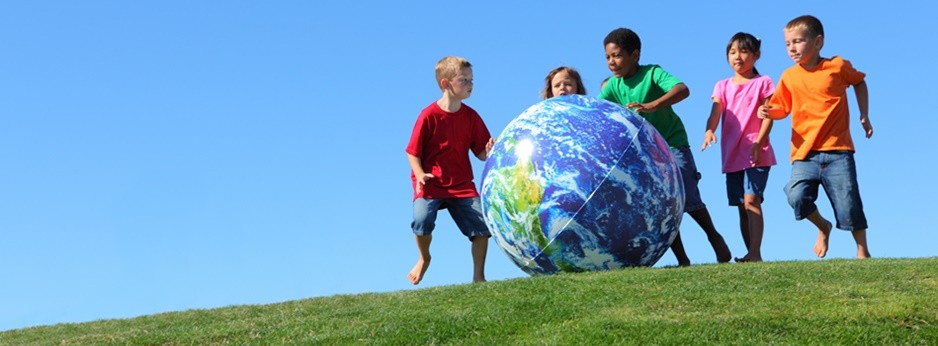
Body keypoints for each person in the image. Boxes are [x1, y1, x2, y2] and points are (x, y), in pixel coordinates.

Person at [599, 28, 732, 266]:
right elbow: (601, 114)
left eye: (617, 55)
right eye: (608, 57)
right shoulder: (612, 86)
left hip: (672, 143)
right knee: (664, 206)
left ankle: (713, 236)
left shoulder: (652, 73)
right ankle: (682, 259)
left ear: (635, 54)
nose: (612, 62)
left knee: (688, 196)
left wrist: (652, 105)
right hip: (644, 153)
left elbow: (682, 89)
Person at [759, 15, 873, 259]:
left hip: (838, 151)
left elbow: (860, 82)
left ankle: (862, 251)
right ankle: (823, 226)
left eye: (798, 41)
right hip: (804, 155)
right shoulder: (789, 76)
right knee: (796, 196)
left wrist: (864, 114)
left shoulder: (837, 66)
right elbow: (781, 109)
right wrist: (768, 111)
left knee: (848, 202)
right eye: (788, 43)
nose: (792, 48)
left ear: (818, 42)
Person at [405, 56, 496, 285]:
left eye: (471, 80)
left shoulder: (471, 117)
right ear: (446, 84)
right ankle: (424, 258)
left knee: (482, 228)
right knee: (421, 220)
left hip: (461, 184)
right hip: (431, 182)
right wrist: (420, 174)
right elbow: (412, 152)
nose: (470, 85)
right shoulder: (428, 115)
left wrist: (489, 150)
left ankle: (479, 277)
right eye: (463, 80)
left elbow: (482, 154)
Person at [702, 32, 776, 263]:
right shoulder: (722, 86)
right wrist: (709, 130)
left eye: (744, 51)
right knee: (741, 207)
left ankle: (755, 253)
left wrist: (759, 142)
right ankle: (752, 254)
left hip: (757, 151)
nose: (738, 56)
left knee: (751, 201)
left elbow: (769, 115)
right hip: (732, 155)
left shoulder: (763, 82)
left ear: (756, 55)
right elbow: (715, 112)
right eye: (732, 52)